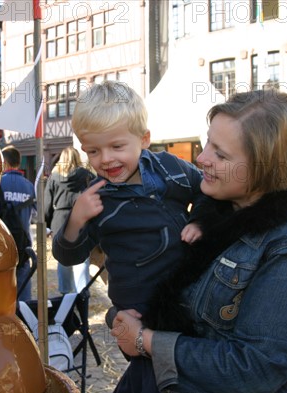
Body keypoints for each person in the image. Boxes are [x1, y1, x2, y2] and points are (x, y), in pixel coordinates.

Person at [110, 90, 287, 393]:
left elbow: (255, 370)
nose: (201, 158)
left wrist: (146, 341)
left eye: (221, 154)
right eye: (208, 143)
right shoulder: (214, 215)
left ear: (264, 167)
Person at [52, 81, 205, 325]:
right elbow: (67, 256)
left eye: (116, 146)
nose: (106, 159)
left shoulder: (171, 168)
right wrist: (75, 221)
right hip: (136, 309)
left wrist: (199, 220)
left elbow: (204, 191)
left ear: (144, 139)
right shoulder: (94, 198)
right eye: (93, 151)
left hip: (190, 293)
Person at [44, 146, 95, 294]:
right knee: (82, 258)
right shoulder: (87, 176)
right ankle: (82, 293)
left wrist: (46, 226)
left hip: (59, 220)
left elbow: (47, 204)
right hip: (81, 219)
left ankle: (66, 293)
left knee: (63, 258)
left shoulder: (54, 177)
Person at [0, 145, 36, 302]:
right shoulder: (29, 186)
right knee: (24, 289)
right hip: (23, 244)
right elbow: (35, 214)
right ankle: (24, 321)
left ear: (4, 162)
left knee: (1, 290)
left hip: (0, 245)